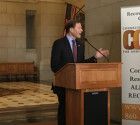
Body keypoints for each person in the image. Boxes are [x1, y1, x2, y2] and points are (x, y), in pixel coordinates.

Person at [50, 20, 109, 125]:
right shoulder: (59, 43)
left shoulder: (80, 45)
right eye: (79, 28)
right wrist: (70, 73)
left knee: (77, 110)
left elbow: (81, 64)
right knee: (65, 109)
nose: (82, 30)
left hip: (78, 85)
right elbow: (54, 66)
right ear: (71, 30)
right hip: (64, 85)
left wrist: (95, 57)